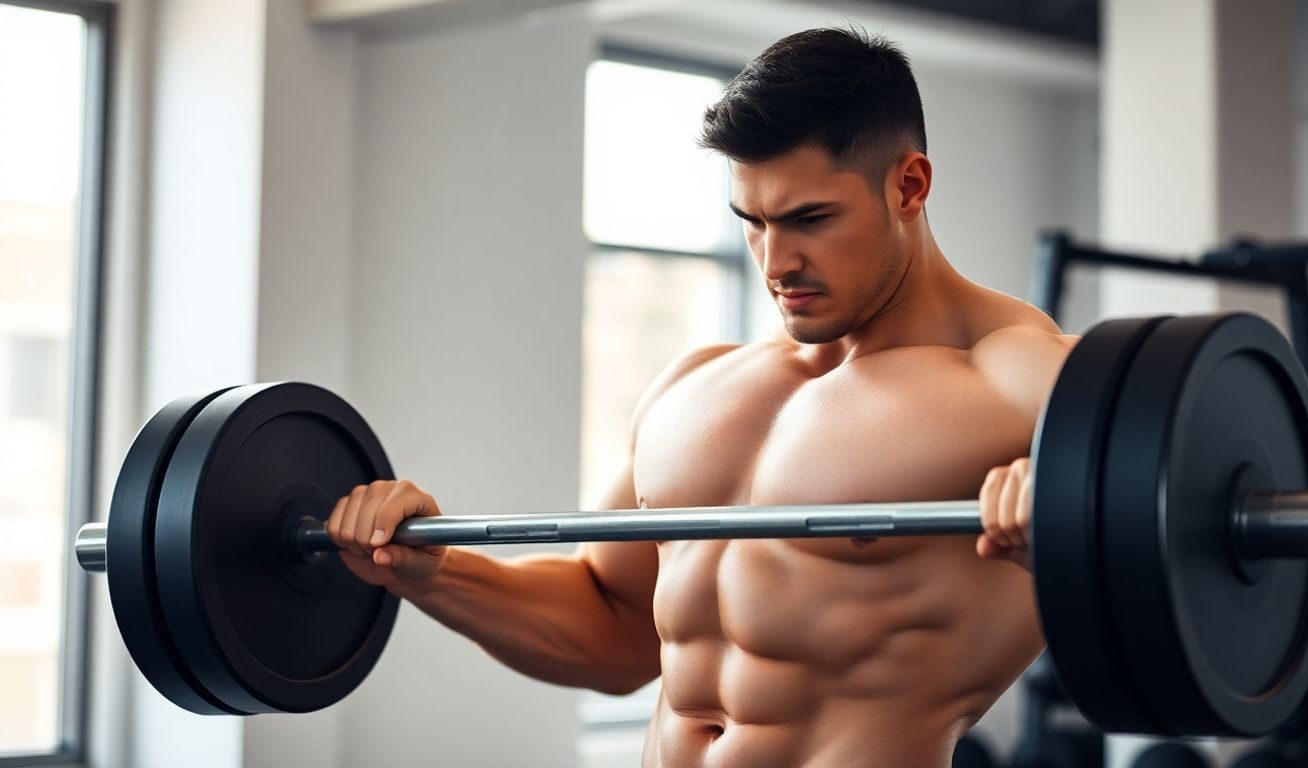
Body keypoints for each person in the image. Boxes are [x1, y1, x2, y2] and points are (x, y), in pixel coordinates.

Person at [328, 26, 1078, 768]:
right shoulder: (694, 387)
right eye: (752, 223)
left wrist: (1077, 530)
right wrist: (429, 571)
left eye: (810, 219)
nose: (775, 262)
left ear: (908, 186)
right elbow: (613, 632)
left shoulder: (1025, 379)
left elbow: (1153, 563)